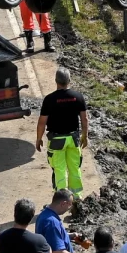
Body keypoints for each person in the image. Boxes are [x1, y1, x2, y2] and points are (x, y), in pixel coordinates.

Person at [36, 68, 89, 197]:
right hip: (73, 139)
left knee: (59, 169)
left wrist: (39, 138)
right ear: (69, 80)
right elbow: (84, 119)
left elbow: (42, 122)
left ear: (56, 81)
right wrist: (85, 136)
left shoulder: (49, 99)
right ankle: (77, 198)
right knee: (74, 168)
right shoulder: (78, 97)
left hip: (57, 141)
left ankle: (62, 200)